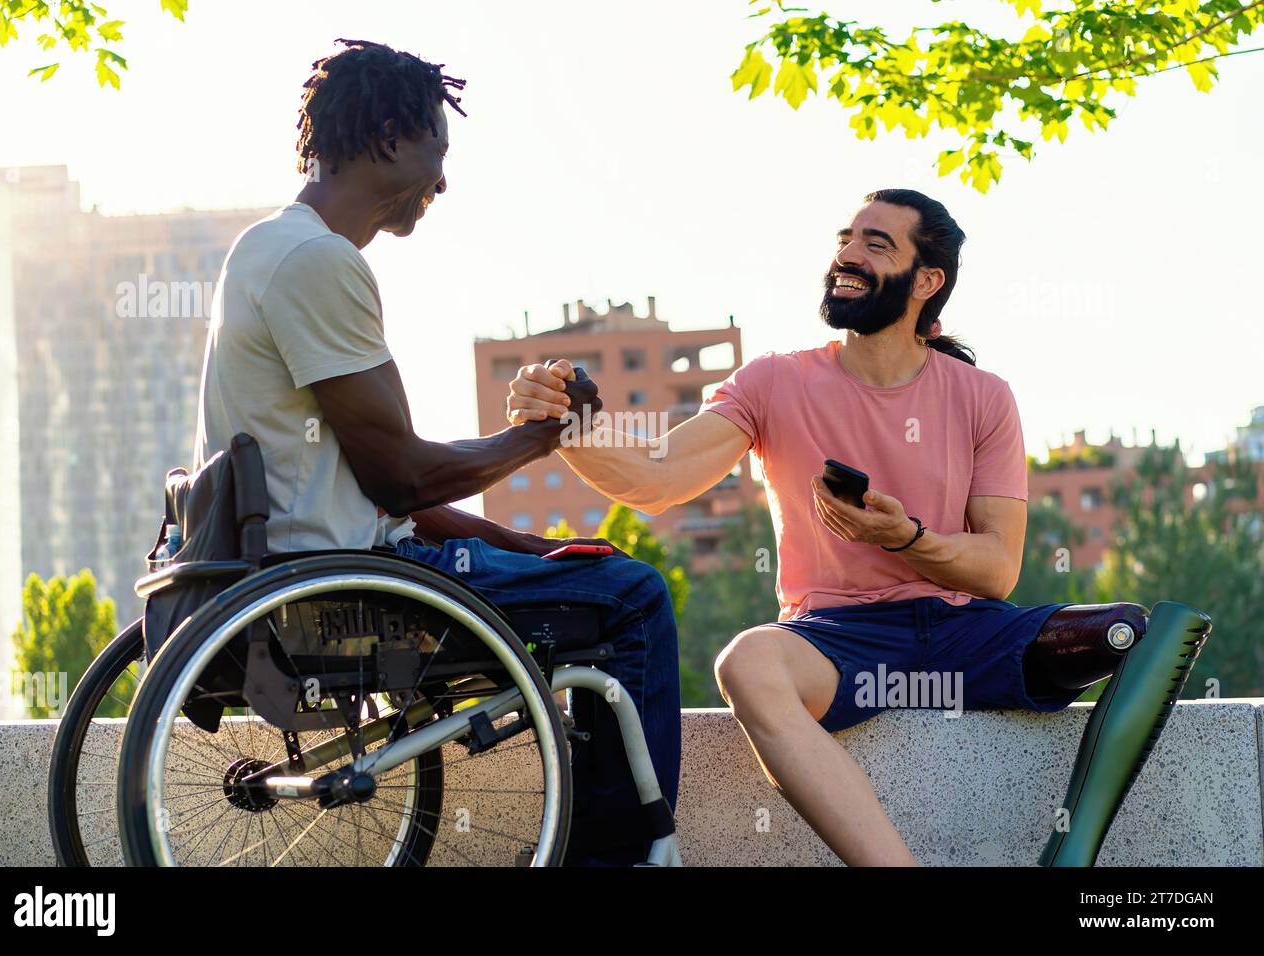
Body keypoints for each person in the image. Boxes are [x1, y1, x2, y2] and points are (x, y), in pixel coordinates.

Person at [506, 188, 1212, 866]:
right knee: (747, 664)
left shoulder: (984, 397)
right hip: (839, 642)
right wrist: (567, 426)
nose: (847, 254)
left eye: (875, 244)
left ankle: (1075, 850)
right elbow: (656, 480)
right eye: (845, 238)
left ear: (925, 279)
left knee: (1128, 631)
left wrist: (902, 539)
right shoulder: (771, 383)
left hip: (966, 633)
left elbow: (998, 570)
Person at [192, 38, 680, 865]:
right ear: (387, 133)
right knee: (630, 596)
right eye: (436, 150)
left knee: (587, 572)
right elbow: (403, 474)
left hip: (293, 567)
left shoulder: (271, 246)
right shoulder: (320, 261)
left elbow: (388, 490)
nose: (442, 180)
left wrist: (532, 548)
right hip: (341, 590)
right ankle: (618, 857)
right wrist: (541, 438)